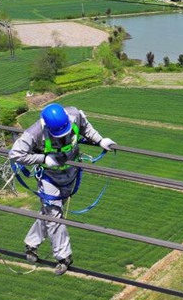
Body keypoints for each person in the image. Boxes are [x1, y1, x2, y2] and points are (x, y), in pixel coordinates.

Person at [9, 103, 115, 275]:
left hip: (70, 174)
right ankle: (64, 257)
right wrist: (42, 158)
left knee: (51, 214)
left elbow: (86, 129)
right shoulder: (35, 133)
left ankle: (31, 243)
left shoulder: (74, 115)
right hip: (49, 177)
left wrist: (100, 140)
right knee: (53, 215)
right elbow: (15, 154)